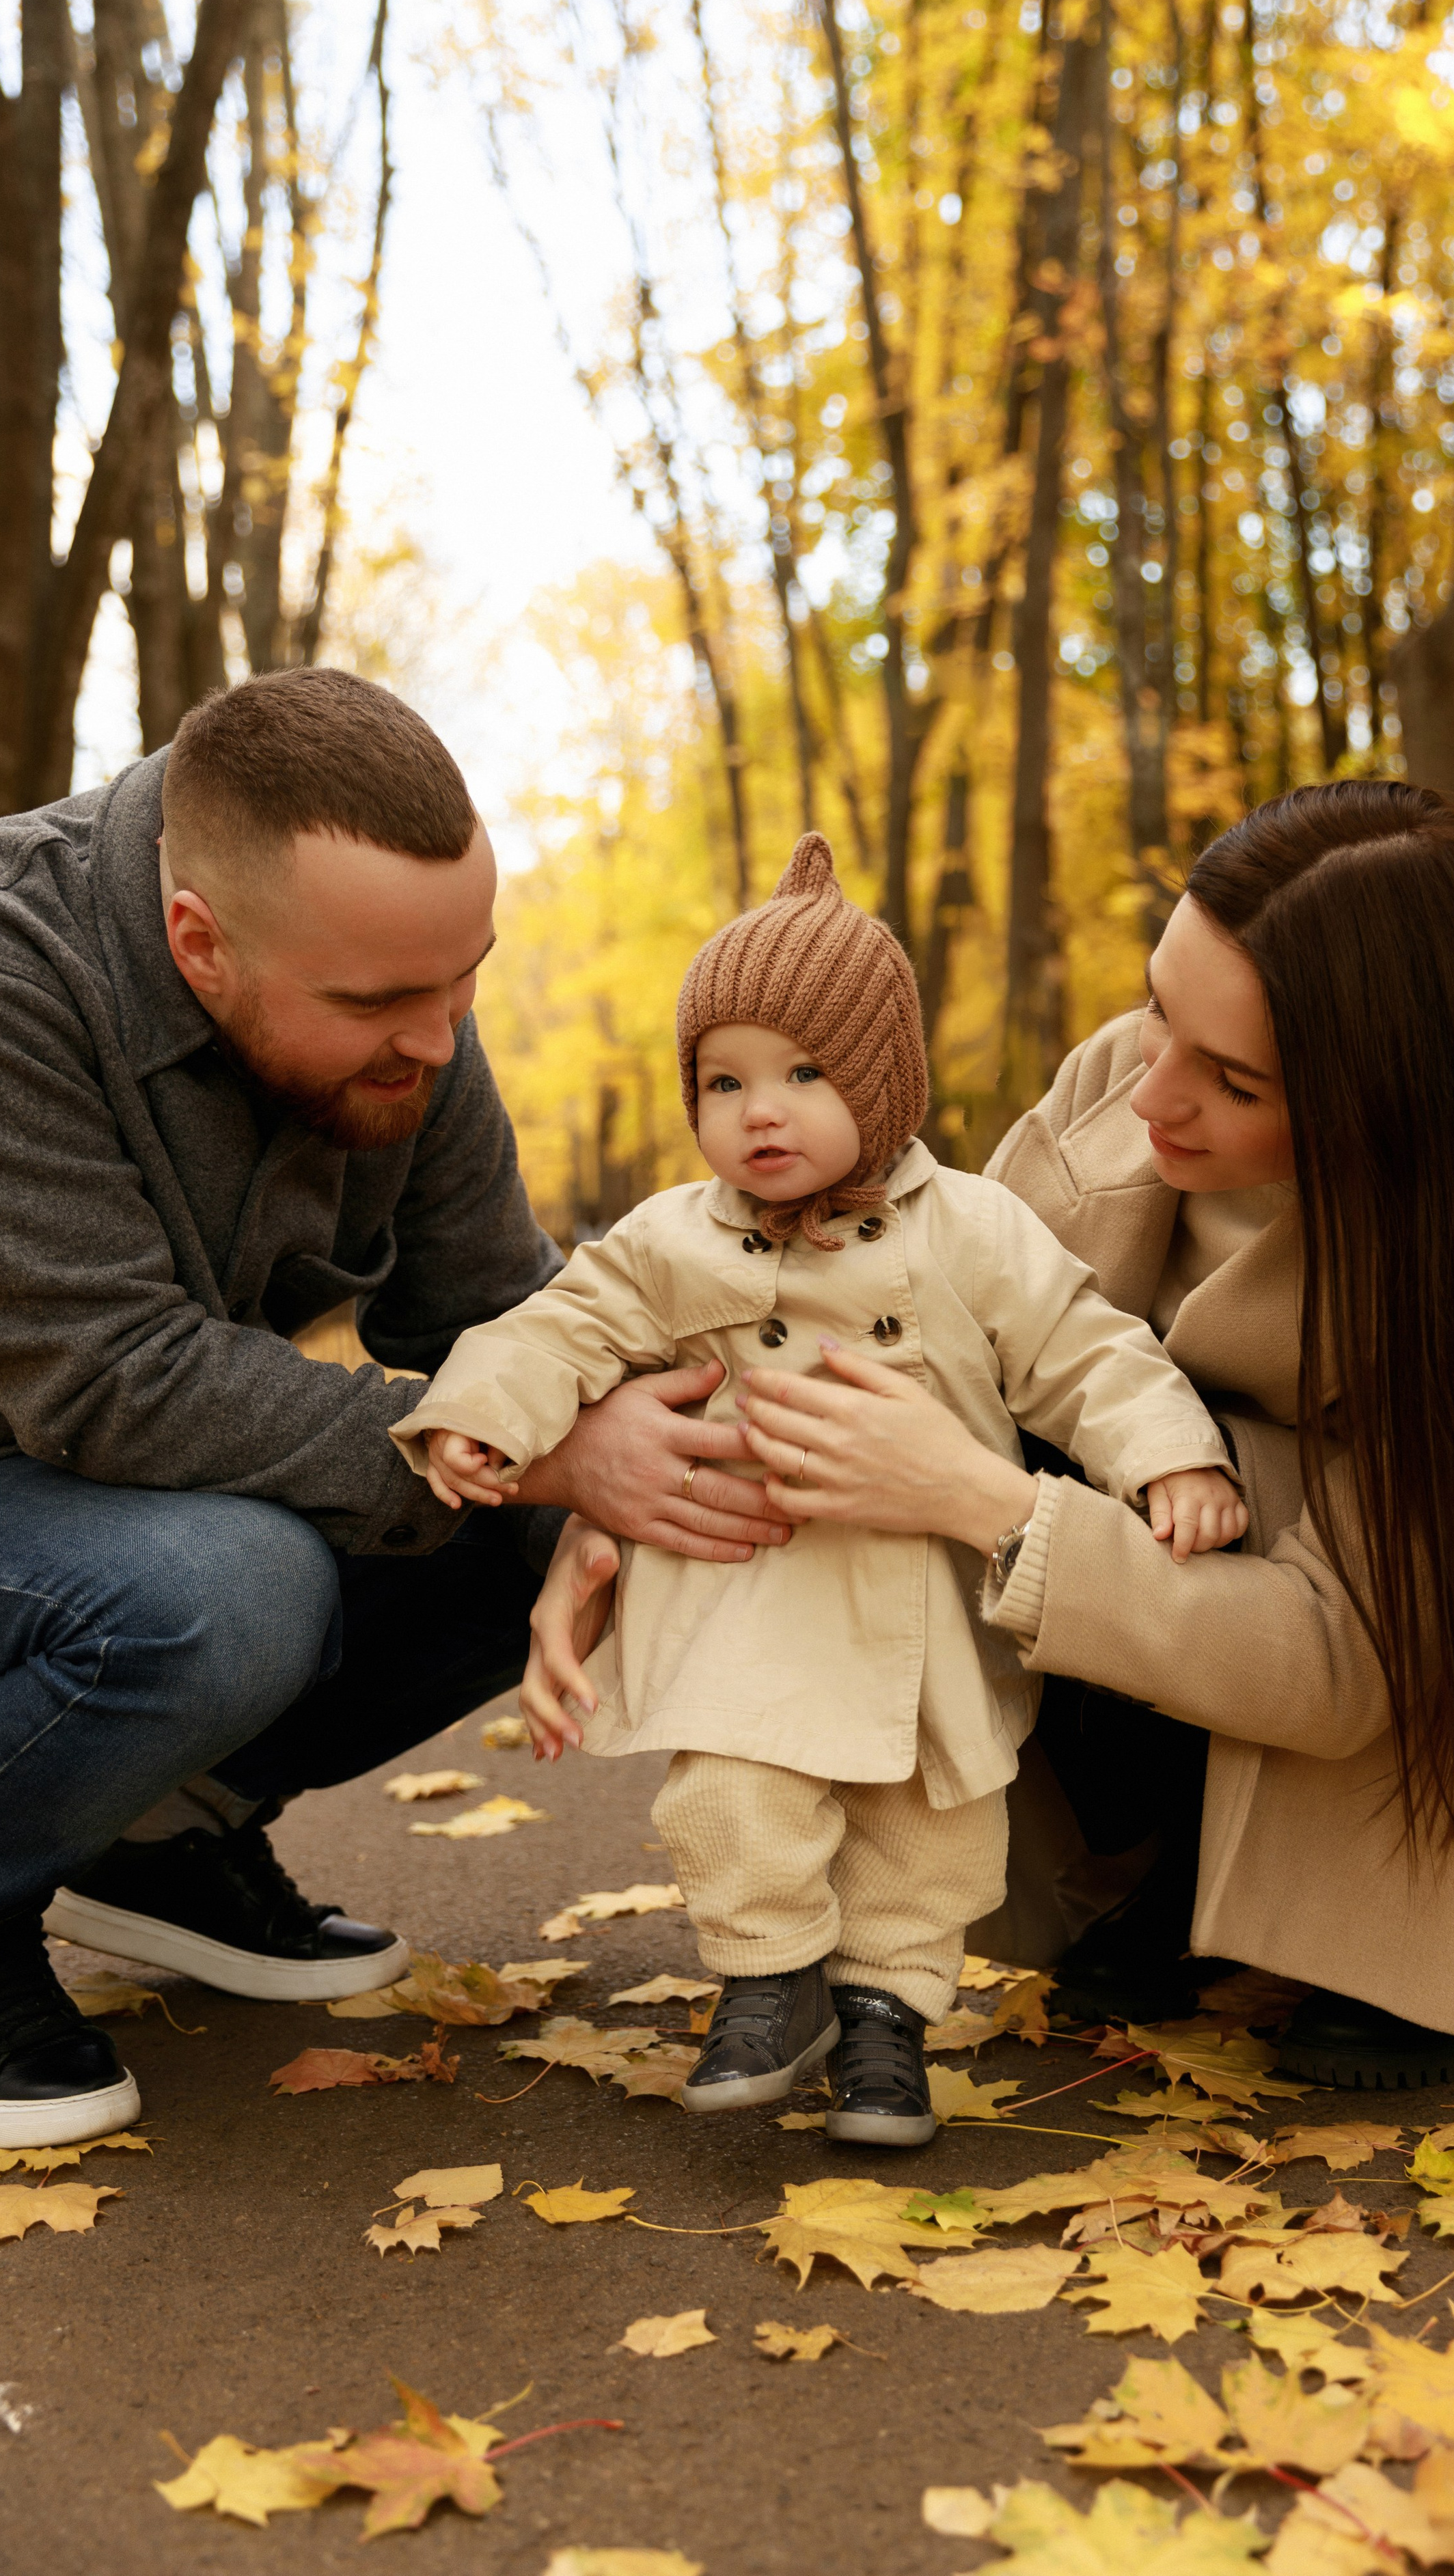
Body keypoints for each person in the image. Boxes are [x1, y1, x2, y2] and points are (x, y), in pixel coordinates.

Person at [540, 782, 1454, 2094]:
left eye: (1231, 1080)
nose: (1152, 1093)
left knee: (1058, 1474)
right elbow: (881, 1331)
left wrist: (985, 1500)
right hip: (1213, 1569)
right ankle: (1157, 1878)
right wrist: (617, 1509)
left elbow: (1353, 1663)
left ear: (1383, 1101)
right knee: (1032, 1439)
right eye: (1164, 1009)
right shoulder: (1129, 1075)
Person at [0, 668, 781, 2149]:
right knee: (232, 1590)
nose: (436, 1036)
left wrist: (671, 1423)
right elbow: (111, 1378)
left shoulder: (402, 998)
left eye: (463, 977)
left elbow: (498, 1317)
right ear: (196, 942)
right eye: (377, 1004)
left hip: (83, 1488)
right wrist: (547, 1446)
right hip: (38, 1467)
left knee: (557, 1507)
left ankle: (165, 1833)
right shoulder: (18, 974)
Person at [389, 834, 1246, 2145]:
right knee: (729, 1792)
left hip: (925, 1606)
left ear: (884, 1081)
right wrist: (483, 1419)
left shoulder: (968, 1228)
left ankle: (890, 2024)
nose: (761, 1111)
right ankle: (764, 1976)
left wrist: (1168, 1454)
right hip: (747, 1590)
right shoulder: (676, 1236)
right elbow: (556, 1327)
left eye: (803, 1073)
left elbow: (1085, 1351)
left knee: (929, 1831)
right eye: (724, 1081)